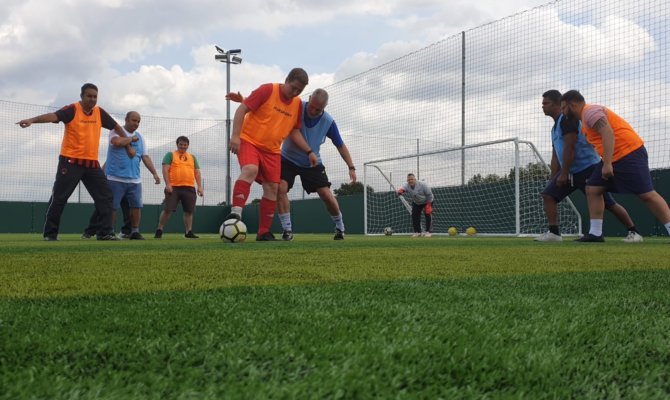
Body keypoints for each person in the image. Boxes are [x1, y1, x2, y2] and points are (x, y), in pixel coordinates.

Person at [227, 88, 356, 241]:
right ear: (309, 99)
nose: (313, 111)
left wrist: (351, 167)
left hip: (312, 161)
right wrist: (244, 100)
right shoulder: (297, 107)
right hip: (287, 158)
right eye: (312, 106)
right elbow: (272, 109)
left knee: (326, 194)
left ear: (325, 108)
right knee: (280, 187)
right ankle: (287, 230)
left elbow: (340, 145)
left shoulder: (328, 122)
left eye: (318, 109)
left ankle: (340, 226)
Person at [16, 83, 133, 241]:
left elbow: (116, 127)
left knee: (106, 196)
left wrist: (128, 144)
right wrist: (32, 120)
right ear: (81, 96)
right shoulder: (72, 109)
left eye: (95, 97)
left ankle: (104, 232)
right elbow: (53, 116)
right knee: (59, 198)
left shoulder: (99, 113)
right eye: (89, 96)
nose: (92, 99)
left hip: (92, 164)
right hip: (70, 162)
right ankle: (50, 234)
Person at [560, 90, 670, 242]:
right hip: (614, 157)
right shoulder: (584, 120)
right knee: (593, 188)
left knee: (646, 194)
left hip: (629, 153)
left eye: (564, 107)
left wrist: (607, 164)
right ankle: (595, 234)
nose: (563, 112)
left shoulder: (590, 112)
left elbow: (608, 133)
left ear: (573, 104)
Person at [536, 90, 641, 243]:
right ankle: (554, 233)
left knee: (609, 204)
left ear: (558, 104)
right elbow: (556, 154)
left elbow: (569, 148)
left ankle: (633, 231)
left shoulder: (568, 120)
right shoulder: (554, 128)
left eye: (546, 103)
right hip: (570, 171)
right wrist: (554, 177)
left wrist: (563, 174)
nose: (543, 106)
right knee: (548, 195)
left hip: (588, 169)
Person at [226, 68, 317, 241]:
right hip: (249, 141)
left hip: (273, 151)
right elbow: (241, 110)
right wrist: (235, 136)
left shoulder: (297, 103)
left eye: (300, 90)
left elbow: (294, 131)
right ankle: (235, 215)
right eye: (294, 88)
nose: (295, 93)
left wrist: (309, 151)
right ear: (287, 80)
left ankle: (263, 232)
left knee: (273, 188)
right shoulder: (268, 89)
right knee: (250, 169)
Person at [82, 111, 161, 240]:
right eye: (134, 120)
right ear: (126, 120)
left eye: (138, 121)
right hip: (115, 178)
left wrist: (155, 173)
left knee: (136, 206)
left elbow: (145, 156)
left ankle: (134, 231)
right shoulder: (115, 131)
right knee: (111, 207)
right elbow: (117, 142)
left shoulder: (141, 137)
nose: (136, 123)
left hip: (135, 180)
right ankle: (108, 231)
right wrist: (130, 139)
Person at [154, 136, 203, 239]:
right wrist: (168, 184)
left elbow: (197, 172)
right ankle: (160, 229)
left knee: (189, 211)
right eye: (181, 144)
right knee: (168, 209)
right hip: (174, 187)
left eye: (185, 144)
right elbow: (165, 169)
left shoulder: (192, 157)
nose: (183, 146)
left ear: (188, 145)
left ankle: (188, 231)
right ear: (177, 144)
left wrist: (200, 187)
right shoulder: (170, 155)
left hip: (189, 187)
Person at [397, 173, 434, 237]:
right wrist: (400, 191)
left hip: (427, 201)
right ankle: (417, 232)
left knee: (427, 214)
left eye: (411, 179)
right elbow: (402, 189)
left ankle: (429, 232)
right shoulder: (406, 185)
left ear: (415, 179)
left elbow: (430, 195)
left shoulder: (423, 185)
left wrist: (429, 204)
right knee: (414, 215)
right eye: (408, 180)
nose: (410, 181)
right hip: (417, 202)